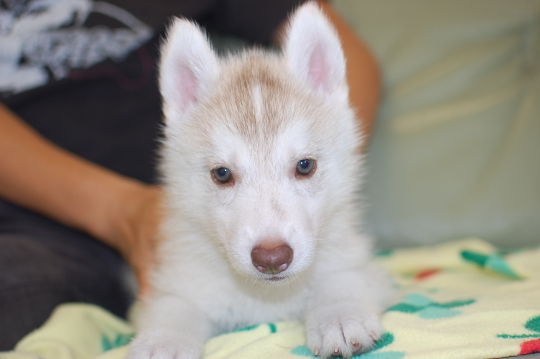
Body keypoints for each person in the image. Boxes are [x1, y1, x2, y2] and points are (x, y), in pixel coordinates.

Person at [0, 0, 380, 349]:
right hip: (28, 225)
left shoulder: (332, 231)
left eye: (303, 167)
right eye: (224, 175)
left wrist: (341, 302)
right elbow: (180, 302)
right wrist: (170, 332)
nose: (271, 238)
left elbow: (349, 274)